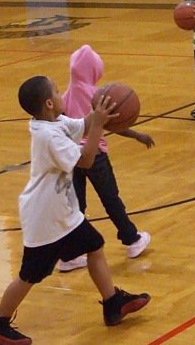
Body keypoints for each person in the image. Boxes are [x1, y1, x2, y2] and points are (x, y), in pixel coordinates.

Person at [0, 76, 151, 345]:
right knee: (29, 275)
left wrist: (100, 114)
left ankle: (112, 303)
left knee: (95, 245)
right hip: (45, 218)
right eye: (58, 92)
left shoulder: (55, 122)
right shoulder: (46, 136)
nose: (62, 95)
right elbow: (85, 160)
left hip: (63, 213)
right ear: (49, 103)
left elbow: (83, 125)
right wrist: (97, 125)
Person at [57, 44, 153, 272]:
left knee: (76, 204)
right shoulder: (99, 96)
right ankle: (132, 240)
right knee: (111, 199)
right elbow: (112, 124)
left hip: (72, 157)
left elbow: (59, 120)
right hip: (95, 155)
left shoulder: (66, 95)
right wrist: (137, 135)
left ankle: (69, 254)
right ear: (93, 70)